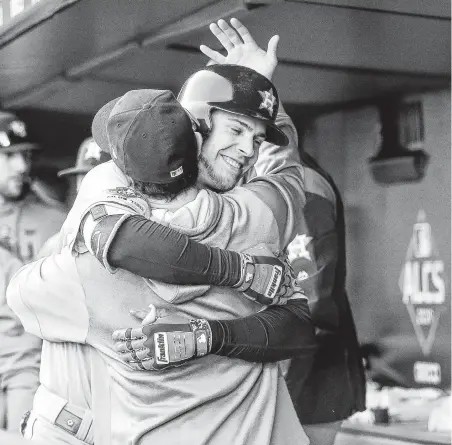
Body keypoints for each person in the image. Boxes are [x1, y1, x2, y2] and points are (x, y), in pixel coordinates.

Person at [8, 23, 314, 444]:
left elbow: (23, 291)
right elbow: (287, 175)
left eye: (256, 138)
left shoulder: (91, 250)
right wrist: (265, 94)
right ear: (197, 128)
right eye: (237, 131)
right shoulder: (256, 220)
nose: (248, 150)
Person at [0, 112, 66, 432]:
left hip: (31, 373)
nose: (22, 166)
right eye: (9, 156)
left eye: (24, 155)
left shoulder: (54, 221)